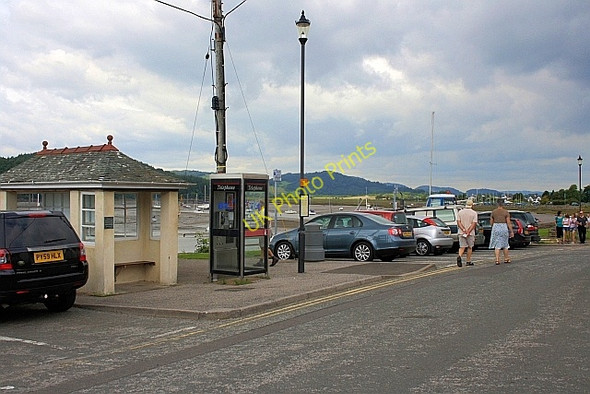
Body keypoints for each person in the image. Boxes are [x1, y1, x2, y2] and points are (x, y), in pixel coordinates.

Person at [489, 199, 514, 265]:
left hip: (496, 227)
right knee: (505, 244)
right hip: (503, 227)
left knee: (497, 244)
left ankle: (497, 259)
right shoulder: (506, 212)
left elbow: (491, 221)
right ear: (503, 204)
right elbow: (508, 222)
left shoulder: (493, 212)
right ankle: (506, 258)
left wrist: (493, 226)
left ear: (497, 204)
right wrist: (511, 231)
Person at [456, 199, 478, 267]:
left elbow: (458, 222)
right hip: (470, 233)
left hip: (461, 232)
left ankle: (459, 256)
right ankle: (468, 261)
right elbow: (474, 223)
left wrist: (463, 229)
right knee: (469, 247)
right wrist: (468, 231)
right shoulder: (474, 213)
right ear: (472, 205)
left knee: (462, 247)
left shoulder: (460, 212)